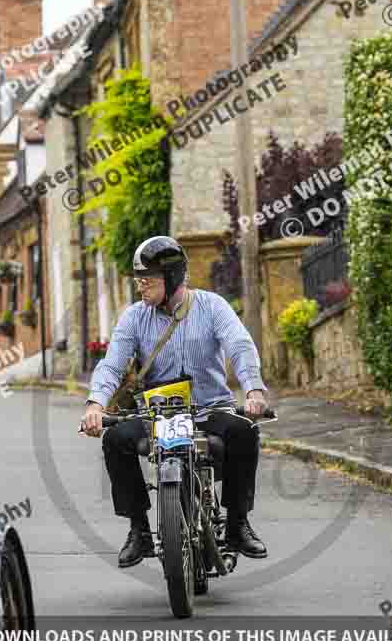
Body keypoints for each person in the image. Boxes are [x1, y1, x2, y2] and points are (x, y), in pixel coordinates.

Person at [84, 236, 269, 568]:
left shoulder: (212, 307)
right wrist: (95, 404)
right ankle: (139, 530)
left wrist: (253, 390)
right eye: (138, 278)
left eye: (148, 278)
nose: (140, 285)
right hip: (155, 414)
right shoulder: (134, 317)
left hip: (208, 408)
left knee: (244, 432)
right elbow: (112, 364)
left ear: (171, 278)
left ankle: (239, 523)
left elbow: (239, 345)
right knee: (115, 440)